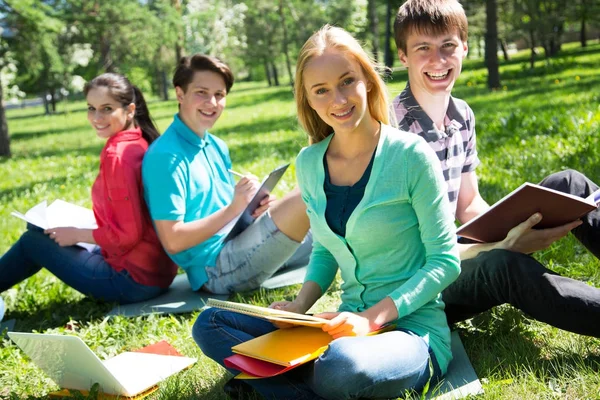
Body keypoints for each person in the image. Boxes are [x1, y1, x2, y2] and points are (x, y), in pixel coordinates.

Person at [193, 25, 461, 400]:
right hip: (338, 327)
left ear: (367, 80)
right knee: (211, 323)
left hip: (410, 333)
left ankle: (272, 385)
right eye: (321, 90)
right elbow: (324, 247)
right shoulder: (310, 162)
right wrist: (300, 306)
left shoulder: (410, 156)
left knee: (341, 367)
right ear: (309, 99)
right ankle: (293, 384)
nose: (338, 99)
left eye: (347, 81)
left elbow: (445, 262)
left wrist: (371, 319)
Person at [392, 0, 600, 337]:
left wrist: (509, 227)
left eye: (448, 46)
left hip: (453, 246)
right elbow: (408, 248)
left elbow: (468, 202)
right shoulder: (390, 131)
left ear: (464, 47)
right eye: (423, 48)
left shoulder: (462, 116)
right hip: (419, 281)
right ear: (403, 56)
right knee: (503, 265)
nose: (438, 60)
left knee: (570, 183)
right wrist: (497, 246)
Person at [0, 73, 177, 304]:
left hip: (132, 281)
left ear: (130, 110)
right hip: (157, 271)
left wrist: (76, 234)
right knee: (37, 225)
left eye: (106, 109)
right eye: (91, 108)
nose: (96, 117)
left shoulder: (118, 156)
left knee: (32, 242)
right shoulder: (139, 141)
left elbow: (127, 235)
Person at [141, 54, 311, 295]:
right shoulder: (165, 157)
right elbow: (173, 240)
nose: (212, 102)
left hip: (241, 240)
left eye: (219, 95)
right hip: (215, 269)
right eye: (201, 92)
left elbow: (226, 215)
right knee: (306, 197)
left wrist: (253, 209)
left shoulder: (216, 145)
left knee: (324, 209)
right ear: (180, 94)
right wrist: (234, 208)